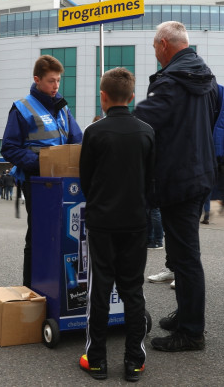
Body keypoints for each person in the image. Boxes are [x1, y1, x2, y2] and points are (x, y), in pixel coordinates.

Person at [134, 21, 217, 353]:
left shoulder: (169, 82)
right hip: (197, 174)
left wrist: (114, 121)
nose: (155, 53)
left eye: (155, 47)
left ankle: (191, 331)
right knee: (181, 254)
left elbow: (144, 120)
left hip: (177, 177)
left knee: (184, 258)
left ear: (164, 44)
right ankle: (185, 315)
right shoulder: (205, 79)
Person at [78, 67, 155, 382]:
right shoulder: (147, 132)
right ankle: (134, 362)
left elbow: (86, 180)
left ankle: (96, 360)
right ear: (132, 96)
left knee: (100, 288)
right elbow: (151, 180)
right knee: (133, 289)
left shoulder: (94, 133)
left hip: (103, 222)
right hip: (136, 221)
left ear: (103, 97)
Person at [1, 54, 83, 287]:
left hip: (66, 183)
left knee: (66, 236)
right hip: (37, 181)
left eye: (58, 81)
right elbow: (9, 148)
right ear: (37, 79)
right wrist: (43, 163)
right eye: (50, 81)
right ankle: (32, 288)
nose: (56, 86)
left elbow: (77, 140)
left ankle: (60, 287)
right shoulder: (21, 108)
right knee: (38, 236)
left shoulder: (63, 109)